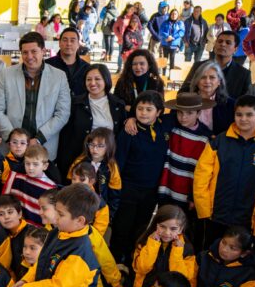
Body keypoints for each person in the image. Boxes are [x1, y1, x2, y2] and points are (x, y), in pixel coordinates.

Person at [195, 95, 255, 250]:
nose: (243, 119)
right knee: (211, 253)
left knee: (240, 261)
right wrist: (204, 210)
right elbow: (201, 177)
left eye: (249, 114)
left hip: (247, 219)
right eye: (239, 114)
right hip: (216, 214)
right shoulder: (219, 141)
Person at [111, 91, 172, 264]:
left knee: (141, 228)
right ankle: (115, 262)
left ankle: (132, 261)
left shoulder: (164, 126)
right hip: (128, 190)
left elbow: (182, 112)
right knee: (122, 227)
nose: (143, 113)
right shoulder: (130, 130)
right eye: (140, 108)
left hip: (151, 191)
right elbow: (118, 163)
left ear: (159, 112)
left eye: (149, 109)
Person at [0, 32, 71, 162]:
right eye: (25, 52)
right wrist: (15, 139)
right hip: (10, 147)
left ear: (43, 51)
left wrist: (39, 138)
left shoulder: (59, 76)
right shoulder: (7, 74)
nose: (29, 57)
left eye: (34, 51)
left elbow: (63, 113)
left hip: (44, 145)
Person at [57, 64, 126, 178]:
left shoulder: (118, 104)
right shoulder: (75, 103)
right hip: (79, 160)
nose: (92, 83)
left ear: (106, 80)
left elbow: (120, 133)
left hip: (107, 163)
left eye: (97, 79)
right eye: (88, 79)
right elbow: (66, 135)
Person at [157, 93, 214, 209]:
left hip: (187, 193)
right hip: (166, 187)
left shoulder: (205, 138)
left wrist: (194, 196)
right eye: (180, 112)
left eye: (189, 113)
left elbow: (203, 172)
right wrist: (132, 119)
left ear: (198, 113)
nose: (183, 117)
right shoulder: (170, 125)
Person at [130, 205, 193, 287]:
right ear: (156, 225)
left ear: (181, 229)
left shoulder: (187, 249)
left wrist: (177, 251)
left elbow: (181, 279)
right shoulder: (144, 241)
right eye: (162, 226)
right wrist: (152, 244)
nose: (167, 233)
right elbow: (141, 268)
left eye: (173, 229)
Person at [67, 128, 122, 215]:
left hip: (98, 210)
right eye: (92, 144)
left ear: (109, 146)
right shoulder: (79, 161)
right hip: (78, 206)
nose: (94, 149)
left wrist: (109, 215)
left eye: (100, 146)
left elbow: (114, 196)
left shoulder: (112, 167)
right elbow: (69, 183)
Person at [184, 30, 251, 99]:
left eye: (228, 43)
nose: (223, 44)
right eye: (220, 41)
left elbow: (245, 102)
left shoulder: (244, 74)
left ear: (235, 49)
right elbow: (184, 91)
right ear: (215, 45)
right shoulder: (198, 66)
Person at [2, 144, 56, 227]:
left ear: (45, 166)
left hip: (38, 231)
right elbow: (5, 201)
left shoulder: (50, 187)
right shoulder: (17, 178)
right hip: (16, 227)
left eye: (35, 164)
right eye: (27, 163)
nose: (30, 168)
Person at [184, 61, 235, 136]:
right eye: (203, 77)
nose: (207, 81)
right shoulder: (185, 101)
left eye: (212, 77)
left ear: (219, 82)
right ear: (197, 81)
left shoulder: (230, 105)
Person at [46, 28, 90, 97]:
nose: (68, 44)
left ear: (78, 44)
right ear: (59, 43)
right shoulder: (47, 65)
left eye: (72, 40)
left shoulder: (86, 68)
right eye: (65, 40)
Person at [114, 4, 141, 72]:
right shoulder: (121, 17)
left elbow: (140, 27)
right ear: (127, 9)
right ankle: (119, 68)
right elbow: (114, 27)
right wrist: (119, 35)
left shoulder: (135, 17)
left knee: (132, 56)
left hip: (132, 39)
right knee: (122, 54)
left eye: (133, 9)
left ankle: (130, 70)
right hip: (122, 40)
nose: (132, 11)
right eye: (131, 9)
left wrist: (136, 34)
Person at [160, 9, 185, 74]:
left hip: (174, 45)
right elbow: (161, 31)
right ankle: (163, 74)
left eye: (175, 14)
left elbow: (181, 32)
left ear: (178, 15)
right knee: (164, 61)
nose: (174, 15)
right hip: (165, 44)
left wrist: (173, 37)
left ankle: (171, 75)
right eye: (172, 14)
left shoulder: (180, 23)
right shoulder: (165, 22)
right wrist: (167, 36)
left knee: (172, 61)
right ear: (170, 14)